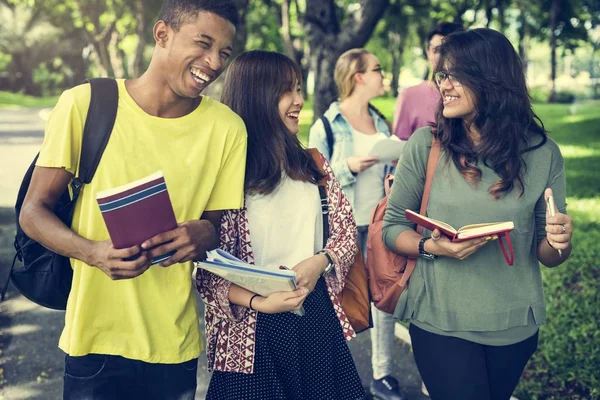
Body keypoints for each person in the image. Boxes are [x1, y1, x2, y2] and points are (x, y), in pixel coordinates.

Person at [18, 1, 247, 399]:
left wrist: (204, 234)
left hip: (173, 343)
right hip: (94, 340)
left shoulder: (227, 129)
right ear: (162, 35)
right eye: (203, 44)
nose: (213, 62)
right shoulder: (85, 104)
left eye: (224, 53)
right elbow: (33, 212)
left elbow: (218, 225)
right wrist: (92, 252)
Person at [382, 28, 573, 400]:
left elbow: (549, 255)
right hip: (440, 320)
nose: (443, 86)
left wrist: (559, 241)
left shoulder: (543, 152)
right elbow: (392, 228)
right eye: (441, 75)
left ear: (492, 79)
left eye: (454, 75)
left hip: (515, 325)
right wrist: (434, 247)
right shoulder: (427, 144)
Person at [196, 50, 364, 400]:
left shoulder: (314, 165)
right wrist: (260, 302)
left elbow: (347, 236)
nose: (299, 101)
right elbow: (207, 272)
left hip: (315, 319)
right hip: (251, 333)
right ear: (257, 96)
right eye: (287, 91)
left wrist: (321, 261)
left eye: (300, 90)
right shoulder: (225, 174)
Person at [308, 48, 405, 400]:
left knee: (382, 301)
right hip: (342, 230)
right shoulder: (326, 126)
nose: (383, 75)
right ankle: (334, 377)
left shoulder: (381, 122)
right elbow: (312, 177)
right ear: (359, 76)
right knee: (337, 303)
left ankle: (382, 376)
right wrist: (347, 166)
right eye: (377, 69)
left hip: (379, 223)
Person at [392, 22, 464, 140]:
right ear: (428, 52)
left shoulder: (473, 94)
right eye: (436, 49)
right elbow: (399, 147)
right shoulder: (409, 95)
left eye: (449, 50)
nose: (442, 56)